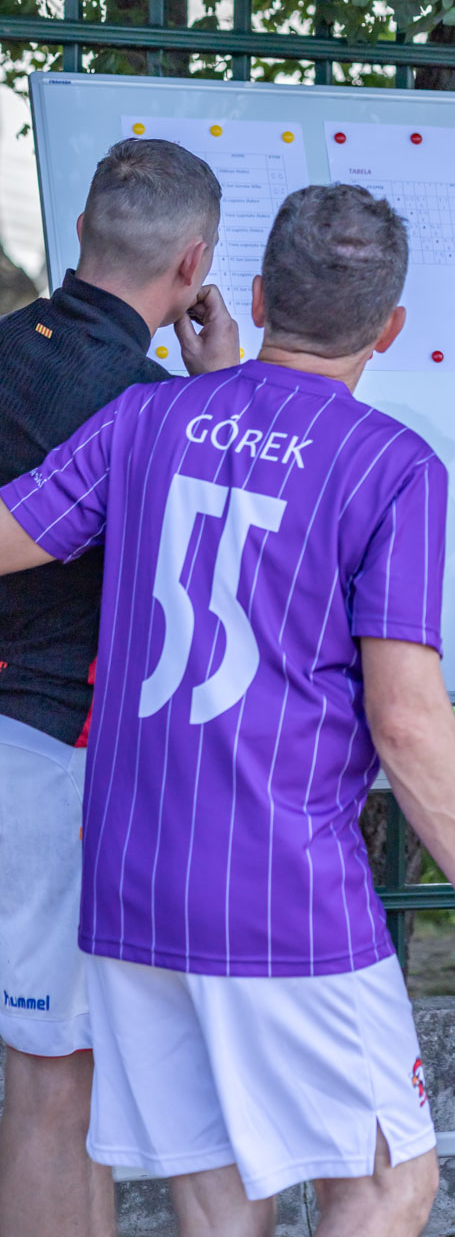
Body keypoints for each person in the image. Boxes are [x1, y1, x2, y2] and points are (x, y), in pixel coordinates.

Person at [0, 182, 455, 1237]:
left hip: (132, 876)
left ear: (255, 296)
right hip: (282, 884)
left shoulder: (145, 416)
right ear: (389, 327)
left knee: (218, 1193)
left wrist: (217, 396)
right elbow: (407, 717)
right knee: (387, 1184)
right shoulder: (392, 466)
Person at [0, 137, 239, 1237]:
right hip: (66, 760)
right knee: (57, 1081)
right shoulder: (156, 410)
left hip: (26, 747)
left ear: (81, 234)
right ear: (193, 265)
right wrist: (221, 391)